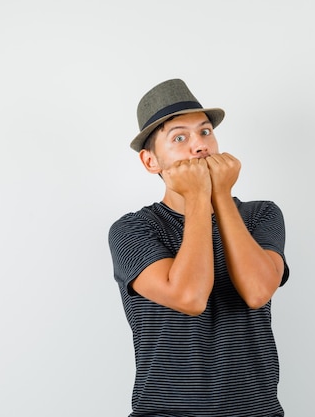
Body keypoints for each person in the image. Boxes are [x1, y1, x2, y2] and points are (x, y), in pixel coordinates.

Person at [108, 78, 290, 417]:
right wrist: (196, 197)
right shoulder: (133, 229)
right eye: (180, 137)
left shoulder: (261, 215)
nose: (200, 146)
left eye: (205, 132)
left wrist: (219, 196)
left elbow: (257, 291)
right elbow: (189, 297)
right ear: (151, 162)